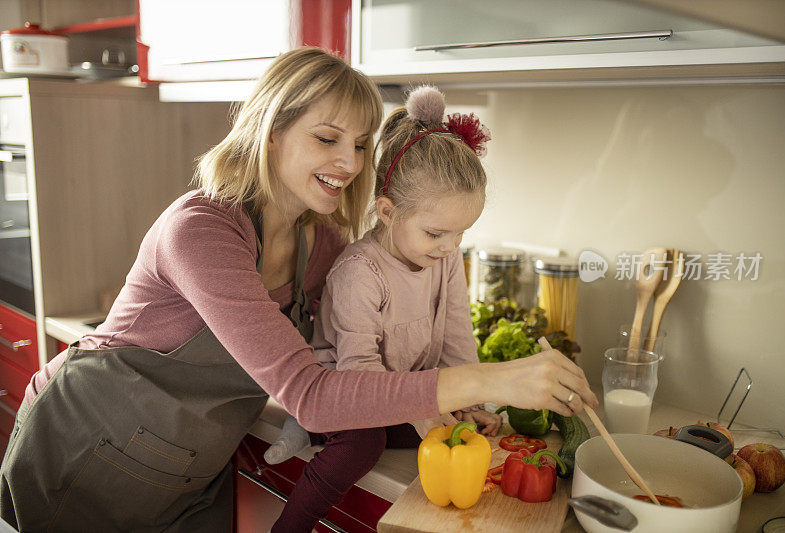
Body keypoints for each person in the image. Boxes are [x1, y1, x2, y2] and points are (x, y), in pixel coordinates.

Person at [0, 48, 596, 532]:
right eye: (327, 138)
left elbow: (353, 368)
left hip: (191, 468)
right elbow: (311, 395)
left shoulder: (326, 248)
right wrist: (496, 378)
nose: (350, 161)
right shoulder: (203, 230)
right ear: (272, 131)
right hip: (93, 448)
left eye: (362, 144)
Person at [262, 86, 502, 531]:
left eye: (461, 234)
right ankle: (290, 521)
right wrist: (433, 410)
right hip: (348, 390)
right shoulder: (359, 273)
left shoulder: (444, 258)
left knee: (447, 426)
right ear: (387, 212)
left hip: (401, 396)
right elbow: (359, 376)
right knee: (362, 441)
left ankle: (303, 428)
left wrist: (466, 401)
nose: (450, 247)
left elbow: (456, 336)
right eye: (436, 234)